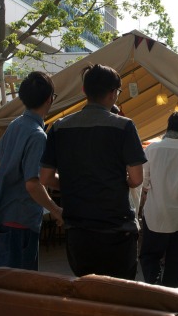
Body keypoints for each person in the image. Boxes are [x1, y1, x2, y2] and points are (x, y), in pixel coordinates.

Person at [40, 64, 146, 280]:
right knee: (118, 296)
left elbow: (46, 178)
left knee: (86, 293)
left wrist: (74, 182)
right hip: (116, 227)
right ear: (113, 93)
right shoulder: (124, 126)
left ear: (84, 91)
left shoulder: (59, 128)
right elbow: (136, 178)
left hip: (78, 228)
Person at [0, 71, 63, 270]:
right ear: (49, 99)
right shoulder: (37, 135)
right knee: (19, 289)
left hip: (2, 214)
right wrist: (56, 210)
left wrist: (9, 176)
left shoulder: (15, 124)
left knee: (4, 285)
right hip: (20, 220)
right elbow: (32, 183)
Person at [139, 110, 178, 287]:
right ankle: (171, 293)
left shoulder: (151, 149)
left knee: (149, 255)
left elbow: (143, 182)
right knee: (175, 259)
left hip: (155, 212)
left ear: (168, 126)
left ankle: (154, 284)